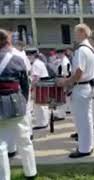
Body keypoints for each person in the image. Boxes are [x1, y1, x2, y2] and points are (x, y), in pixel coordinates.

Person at [0, 29, 37, 180]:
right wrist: (24, 102)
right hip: (16, 103)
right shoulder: (18, 59)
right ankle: (31, 173)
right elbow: (26, 85)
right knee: (25, 141)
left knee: (0, 145)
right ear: (9, 41)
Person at [57, 23, 94, 158]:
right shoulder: (91, 49)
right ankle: (88, 145)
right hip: (87, 86)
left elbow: (79, 71)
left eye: (76, 32)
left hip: (81, 87)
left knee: (82, 120)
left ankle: (84, 149)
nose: (74, 35)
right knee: (87, 119)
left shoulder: (81, 50)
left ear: (82, 32)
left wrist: (66, 82)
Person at [27, 48, 50, 130]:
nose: (28, 57)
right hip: (43, 84)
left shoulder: (36, 64)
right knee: (42, 105)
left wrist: (31, 87)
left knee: (39, 105)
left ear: (33, 55)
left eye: (29, 55)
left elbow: (36, 78)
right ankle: (44, 122)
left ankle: (42, 123)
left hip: (40, 85)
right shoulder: (39, 62)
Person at [54, 49, 71, 120]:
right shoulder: (62, 60)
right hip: (62, 80)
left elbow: (65, 74)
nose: (56, 55)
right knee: (63, 99)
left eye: (58, 54)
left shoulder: (64, 62)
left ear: (62, 54)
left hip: (63, 80)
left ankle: (61, 115)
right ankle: (61, 114)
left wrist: (64, 85)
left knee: (62, 99)